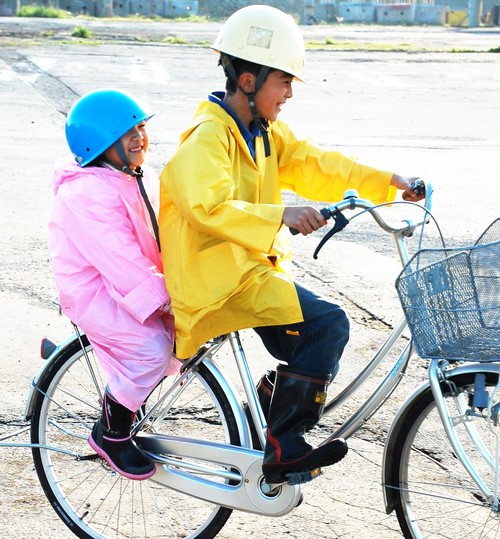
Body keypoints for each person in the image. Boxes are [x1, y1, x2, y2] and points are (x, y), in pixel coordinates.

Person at [158, 5, 424, 486]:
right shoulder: (207, 139)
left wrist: (390, 181)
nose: (289, 94)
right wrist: (280, 214)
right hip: (216, 282)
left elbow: (319, 164)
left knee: (316, 335)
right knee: (327, 326)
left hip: (247, 274)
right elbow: (206, 206)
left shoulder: (263, 132)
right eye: (283, 81)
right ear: (247, 80)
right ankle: (282, 445)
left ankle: (266, 410)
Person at [48, 88, 178, 481]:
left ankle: (128, 399)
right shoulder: (85, 193)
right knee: (151, 350)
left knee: (187, 333)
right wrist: (168, 299)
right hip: (94, 291)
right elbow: (121, 261)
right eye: (126, 132)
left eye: (140, 127)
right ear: (100, 144)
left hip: (130, 282)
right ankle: (112, 434)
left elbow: (163, 231)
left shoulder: (136, 175)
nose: (139, 136)